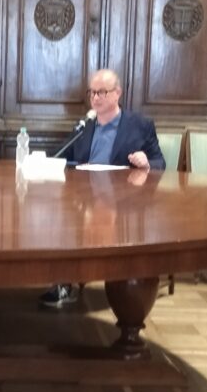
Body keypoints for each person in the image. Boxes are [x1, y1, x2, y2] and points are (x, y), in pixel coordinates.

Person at [40, 68, 165, 309]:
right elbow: (62, 155)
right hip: (83, 198)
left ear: (117, 93)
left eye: (102, 92)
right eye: (92, 92)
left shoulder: (140, 125)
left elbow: (160, 162)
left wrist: (146, 162)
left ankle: (125, 288)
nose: (95, 98)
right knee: (60, 220)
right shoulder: (86, 126)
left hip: (122, 201)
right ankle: (63, 282)